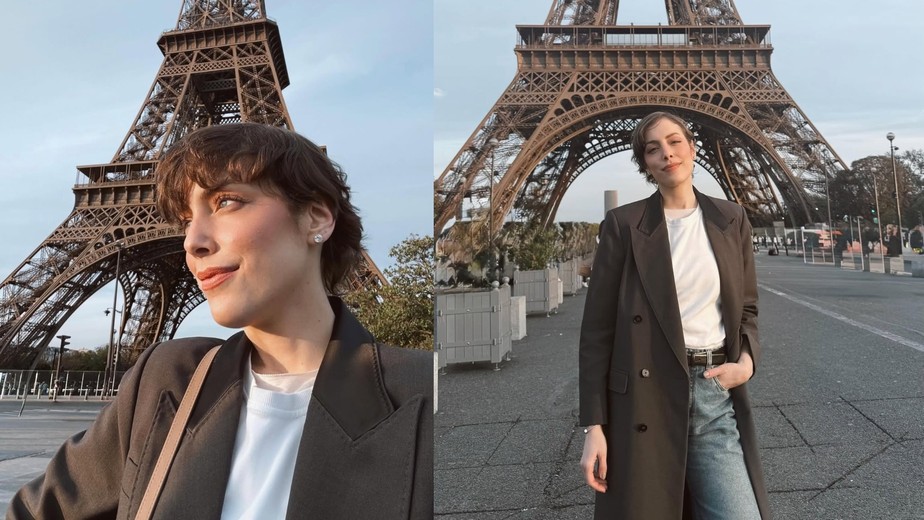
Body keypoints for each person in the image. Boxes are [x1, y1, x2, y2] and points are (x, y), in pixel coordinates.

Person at [7, 123, 433, 519]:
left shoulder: (424, 395)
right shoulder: (166, 381)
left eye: (226, 201)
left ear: (316, 218)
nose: (193, 241)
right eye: (187, 220)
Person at [578, 111, 769, 519]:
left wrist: (747, 363)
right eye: (653, 148)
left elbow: (747, 307)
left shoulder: (731, 219)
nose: (667, 153)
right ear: (645, 163)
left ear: (692, 147)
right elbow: (597, 331)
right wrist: (594, 426)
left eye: (674, 141)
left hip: (712, 392)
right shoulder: (623, 225)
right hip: (644, 400)